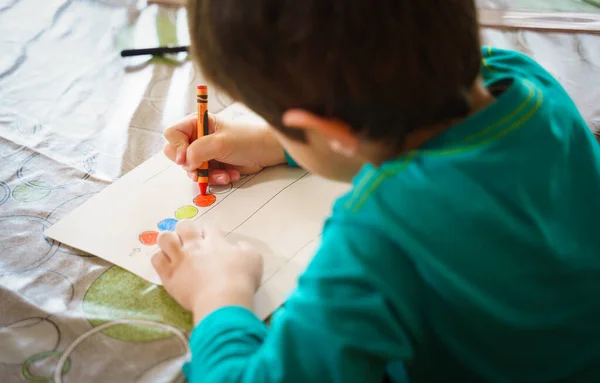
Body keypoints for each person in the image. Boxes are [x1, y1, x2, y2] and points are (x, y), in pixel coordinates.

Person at [151, 0, 600, 381]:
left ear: (329, 132)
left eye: (282, 127)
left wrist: (219, 295)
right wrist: (276, 142)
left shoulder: (379, 231)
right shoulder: (524, 79)